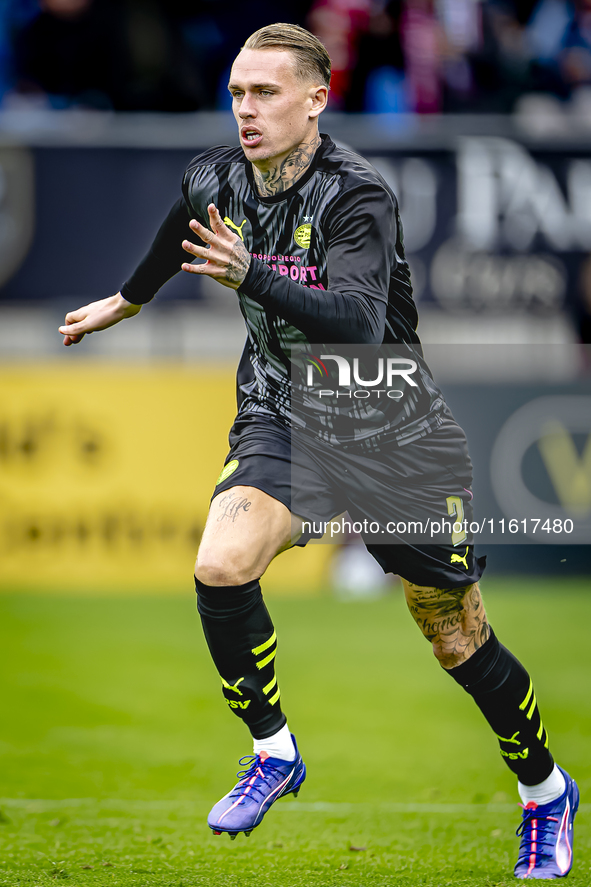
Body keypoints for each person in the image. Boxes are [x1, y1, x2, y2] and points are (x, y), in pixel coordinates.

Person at [58, 22, 578, 879]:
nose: (245, 110)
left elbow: (358, 325)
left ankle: (543, 789)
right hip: (280, 411)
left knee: (452, 635)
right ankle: (272, 748)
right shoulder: (217, 174)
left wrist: (248, 276)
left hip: (385, 426)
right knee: (221, 562)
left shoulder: (356, 195)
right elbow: (181, 221)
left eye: (264, 93)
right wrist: (128, 299)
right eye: (235, 93)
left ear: (314, 99)